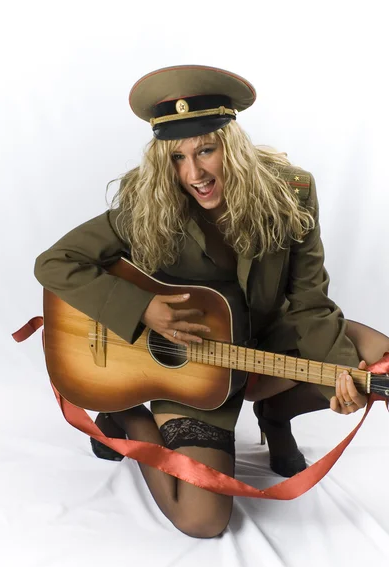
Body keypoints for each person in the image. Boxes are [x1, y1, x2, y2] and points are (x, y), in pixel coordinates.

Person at [34, 64, 370, 539]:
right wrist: (141, 308)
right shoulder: (148, 201)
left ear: (230, 143)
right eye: (176, 157)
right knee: (202, 520)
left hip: (263, 349)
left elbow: (310, 302)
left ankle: (276, 414)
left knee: (373, 359)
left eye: (206, 150)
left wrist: (345, 376)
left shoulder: (292, 193)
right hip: (191, 377)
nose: (193, 173)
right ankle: (129, 416)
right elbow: (55, 263)